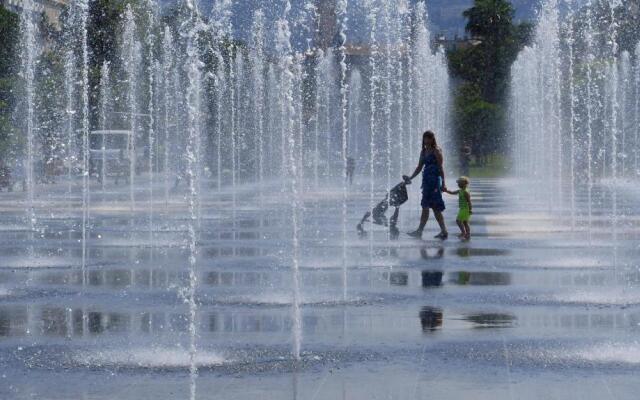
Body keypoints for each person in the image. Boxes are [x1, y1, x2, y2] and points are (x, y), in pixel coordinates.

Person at [404, 131, 448, 239]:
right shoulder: (423, 152)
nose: (427, 140)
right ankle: (424, 230)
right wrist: (410, 177)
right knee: (426, 206)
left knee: (434, 207)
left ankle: (440, 230)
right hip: (426, 182)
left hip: (434, 182)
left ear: (433, 139)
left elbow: (441, 167)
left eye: (429, 138)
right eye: (425, 138)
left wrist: (443, 184)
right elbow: (419, 167)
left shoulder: (436, 151)